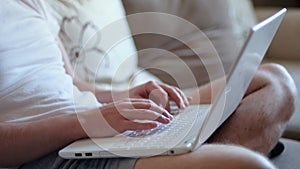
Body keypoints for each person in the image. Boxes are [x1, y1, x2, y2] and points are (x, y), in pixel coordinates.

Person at [0, 0, 296, 169]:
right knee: (248, 166)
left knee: (273, 81)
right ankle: (201, 151)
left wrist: (125, 96)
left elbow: (73, 83)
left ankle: (184, 146)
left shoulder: (30, 2)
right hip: (54, 154)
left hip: (95, 126)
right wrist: (89, 122)